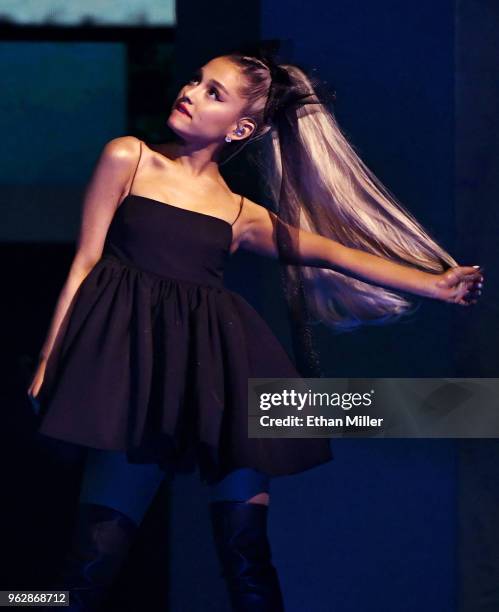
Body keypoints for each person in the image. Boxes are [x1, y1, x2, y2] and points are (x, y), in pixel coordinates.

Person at [27, 47, 483, 611]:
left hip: (223, 383)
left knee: (247, 558)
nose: (191, 92)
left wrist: (435, 284)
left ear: (241, 126)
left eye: (213, 92)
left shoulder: (243, 214)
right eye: (196, 80)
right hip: (138, 383)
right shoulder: (131, 158)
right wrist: (52, 360)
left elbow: (335, 254)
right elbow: (85, 264)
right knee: (88, 567)